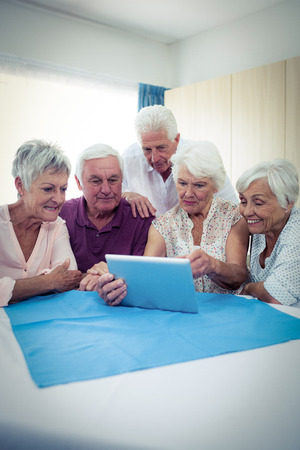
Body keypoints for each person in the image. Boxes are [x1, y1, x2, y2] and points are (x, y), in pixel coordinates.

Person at [96, 141, 249, 306]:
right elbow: (146, 278)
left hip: (229, 310)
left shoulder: (234, 216)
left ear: (216, 186)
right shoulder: (162, 225)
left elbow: (238, 276)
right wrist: (114, 287)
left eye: (199, 185)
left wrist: (212, 265)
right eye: (182, 183)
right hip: (179, 312)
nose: (188, 193)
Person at [0, 139, 82, 307]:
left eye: (63, 189)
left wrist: (10, 286)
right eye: (48, 189)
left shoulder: (57, 225)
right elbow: (58, 280)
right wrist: (49, 281)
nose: (59, 199)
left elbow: (68, 277)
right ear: (20, 185)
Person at [122, 105, 238, 218]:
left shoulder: (201, 157)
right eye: (147, 149)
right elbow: (110, 196)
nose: (154, 158)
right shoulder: (128, 159)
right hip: (149, 235)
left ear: (176, 139)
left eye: (161, 147)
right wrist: (126, 195)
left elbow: (233, 210)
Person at [59, 144, 154, 282]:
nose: (106, 189)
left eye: (113, 180)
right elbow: (52, 275)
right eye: (96, 181)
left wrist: (100, 278)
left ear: (122, 179)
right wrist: (94, 277)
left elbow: (143, 277)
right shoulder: (61, 214)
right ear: (78, 182)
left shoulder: (141, 217)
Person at [236, 158, 300, 306]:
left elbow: (275, 296)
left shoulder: (296, 233)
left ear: (288, 202)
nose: (247, 212)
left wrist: (249, 288)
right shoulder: (264, 225)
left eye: (258, 203)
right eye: (243, 201)